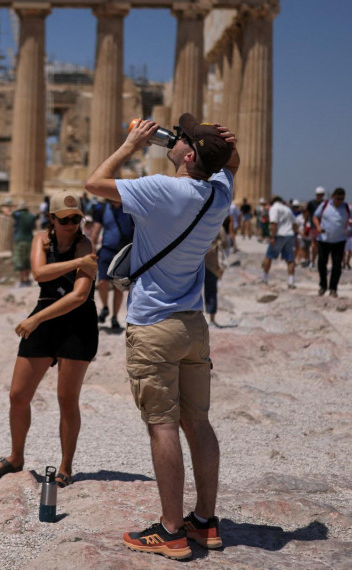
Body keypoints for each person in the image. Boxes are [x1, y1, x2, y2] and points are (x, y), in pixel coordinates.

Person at [86, 113, 238, 560]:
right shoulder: (219, 193)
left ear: (188, 156)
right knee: (199, 423)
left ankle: (171, 531)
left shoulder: (161, 189)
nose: (174, 138)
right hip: (193, 324)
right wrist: (225, 146)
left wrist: (132, 143)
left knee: (163, 426)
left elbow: (94, 183)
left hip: (154, 324)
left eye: (182, 137)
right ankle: (205, 521)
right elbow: (230, 165)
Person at [0, 190, 99, 489]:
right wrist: (77, 263)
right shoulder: (41, 240)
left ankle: (66, 466)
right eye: (65, 219)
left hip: (77, 323)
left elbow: (79, 296)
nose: (71, 225)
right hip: (46, 319)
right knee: (18, 395)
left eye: (76, 219)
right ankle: (16, 457)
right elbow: (39, 273)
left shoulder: (85, 243)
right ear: (52, 219)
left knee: (67, 399)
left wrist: (36, 319)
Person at [90, 196, 134, 331]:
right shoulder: (102, 209)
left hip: (123, 252)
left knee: (118, 287)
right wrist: (91, 251)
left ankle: (115, 317)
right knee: (102, 283)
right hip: (107, 250)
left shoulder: (130, 209)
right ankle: (105, 307)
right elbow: (96, 231)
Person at [312, 187, 351, 297]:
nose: (340, 201)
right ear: (333, 196)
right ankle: (323, 285)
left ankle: (333, 288)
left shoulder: (347, 207)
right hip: (324, 240)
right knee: (321, 263)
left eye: (342, 199)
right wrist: (318, 226)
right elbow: (315, 216)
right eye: (338, 198)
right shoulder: (325, 205)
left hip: (339, 240)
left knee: (337, 265)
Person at [261, 196, 297, 289]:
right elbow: (294, 223)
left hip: (279, 235)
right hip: (289, 235)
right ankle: (291, 281)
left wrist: (272, 237)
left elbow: (274, 223)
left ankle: (264, 278)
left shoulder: (274, 208)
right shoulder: (288, 209)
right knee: (290, 259)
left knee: (269, 256)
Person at [203, 220, 230, 326]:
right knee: (211, 291)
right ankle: (212, 320)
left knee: (193, 292)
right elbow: (226, 244)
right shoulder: (218, 226)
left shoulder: (198, 224)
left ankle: (193, 319)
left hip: (197, 263)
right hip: (212, 265)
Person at [12, 202, 38, 287]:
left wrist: (15, 209)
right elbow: (34, 227)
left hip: (20, 240)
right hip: (30, 239)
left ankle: (22, 280)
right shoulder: (32, 216)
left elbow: (12, 213)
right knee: (28, 260)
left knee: (21, 261)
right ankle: (27, 279)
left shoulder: (18, 215)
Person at [306, 186, 326, 267]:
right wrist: (305, 224)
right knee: (314, 245)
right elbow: (307, 214)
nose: (319, 196)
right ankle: (312, 261)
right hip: (313, 227)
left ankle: (319, 261)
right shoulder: (311, 203)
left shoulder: (325, 204)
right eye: (318, 194)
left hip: (323, 227)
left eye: (321, 194)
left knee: (321, 245)